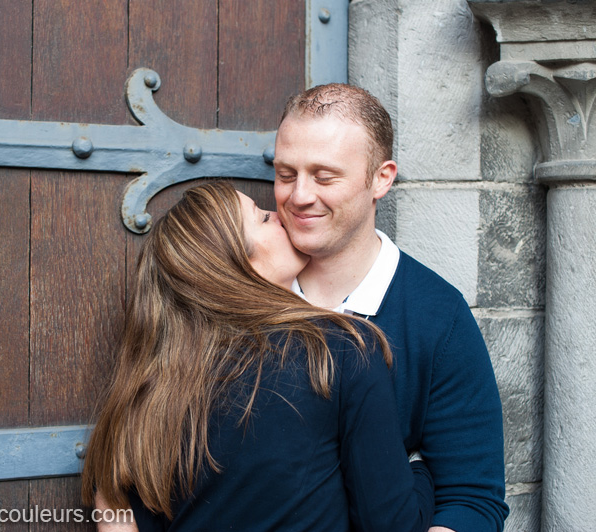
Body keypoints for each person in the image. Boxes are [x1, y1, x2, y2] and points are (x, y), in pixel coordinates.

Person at [81, 181, 435, 531]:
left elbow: (117, 514)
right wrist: (417, 467)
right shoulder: (338, 352)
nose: (277, 214)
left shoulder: (146, 400)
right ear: (237, 266)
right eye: (261, 218)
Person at [272, 84, 509, 532]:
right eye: (286, 174)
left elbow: (472, 500)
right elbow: (136, 458)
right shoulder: (233, 292)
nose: (299, 196)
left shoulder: (439, 318)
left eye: (324, 177)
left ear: (382, 177)